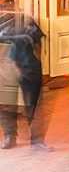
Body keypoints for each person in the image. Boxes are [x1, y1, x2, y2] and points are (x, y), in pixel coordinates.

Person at [0, 11, 49, 151]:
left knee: (34, 104)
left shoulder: (25, 20)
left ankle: (37, 140)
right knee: (6, 104)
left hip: (28, 67)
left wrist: (36, 64)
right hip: (6, 68)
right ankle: (10, 136)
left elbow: (38, 43)